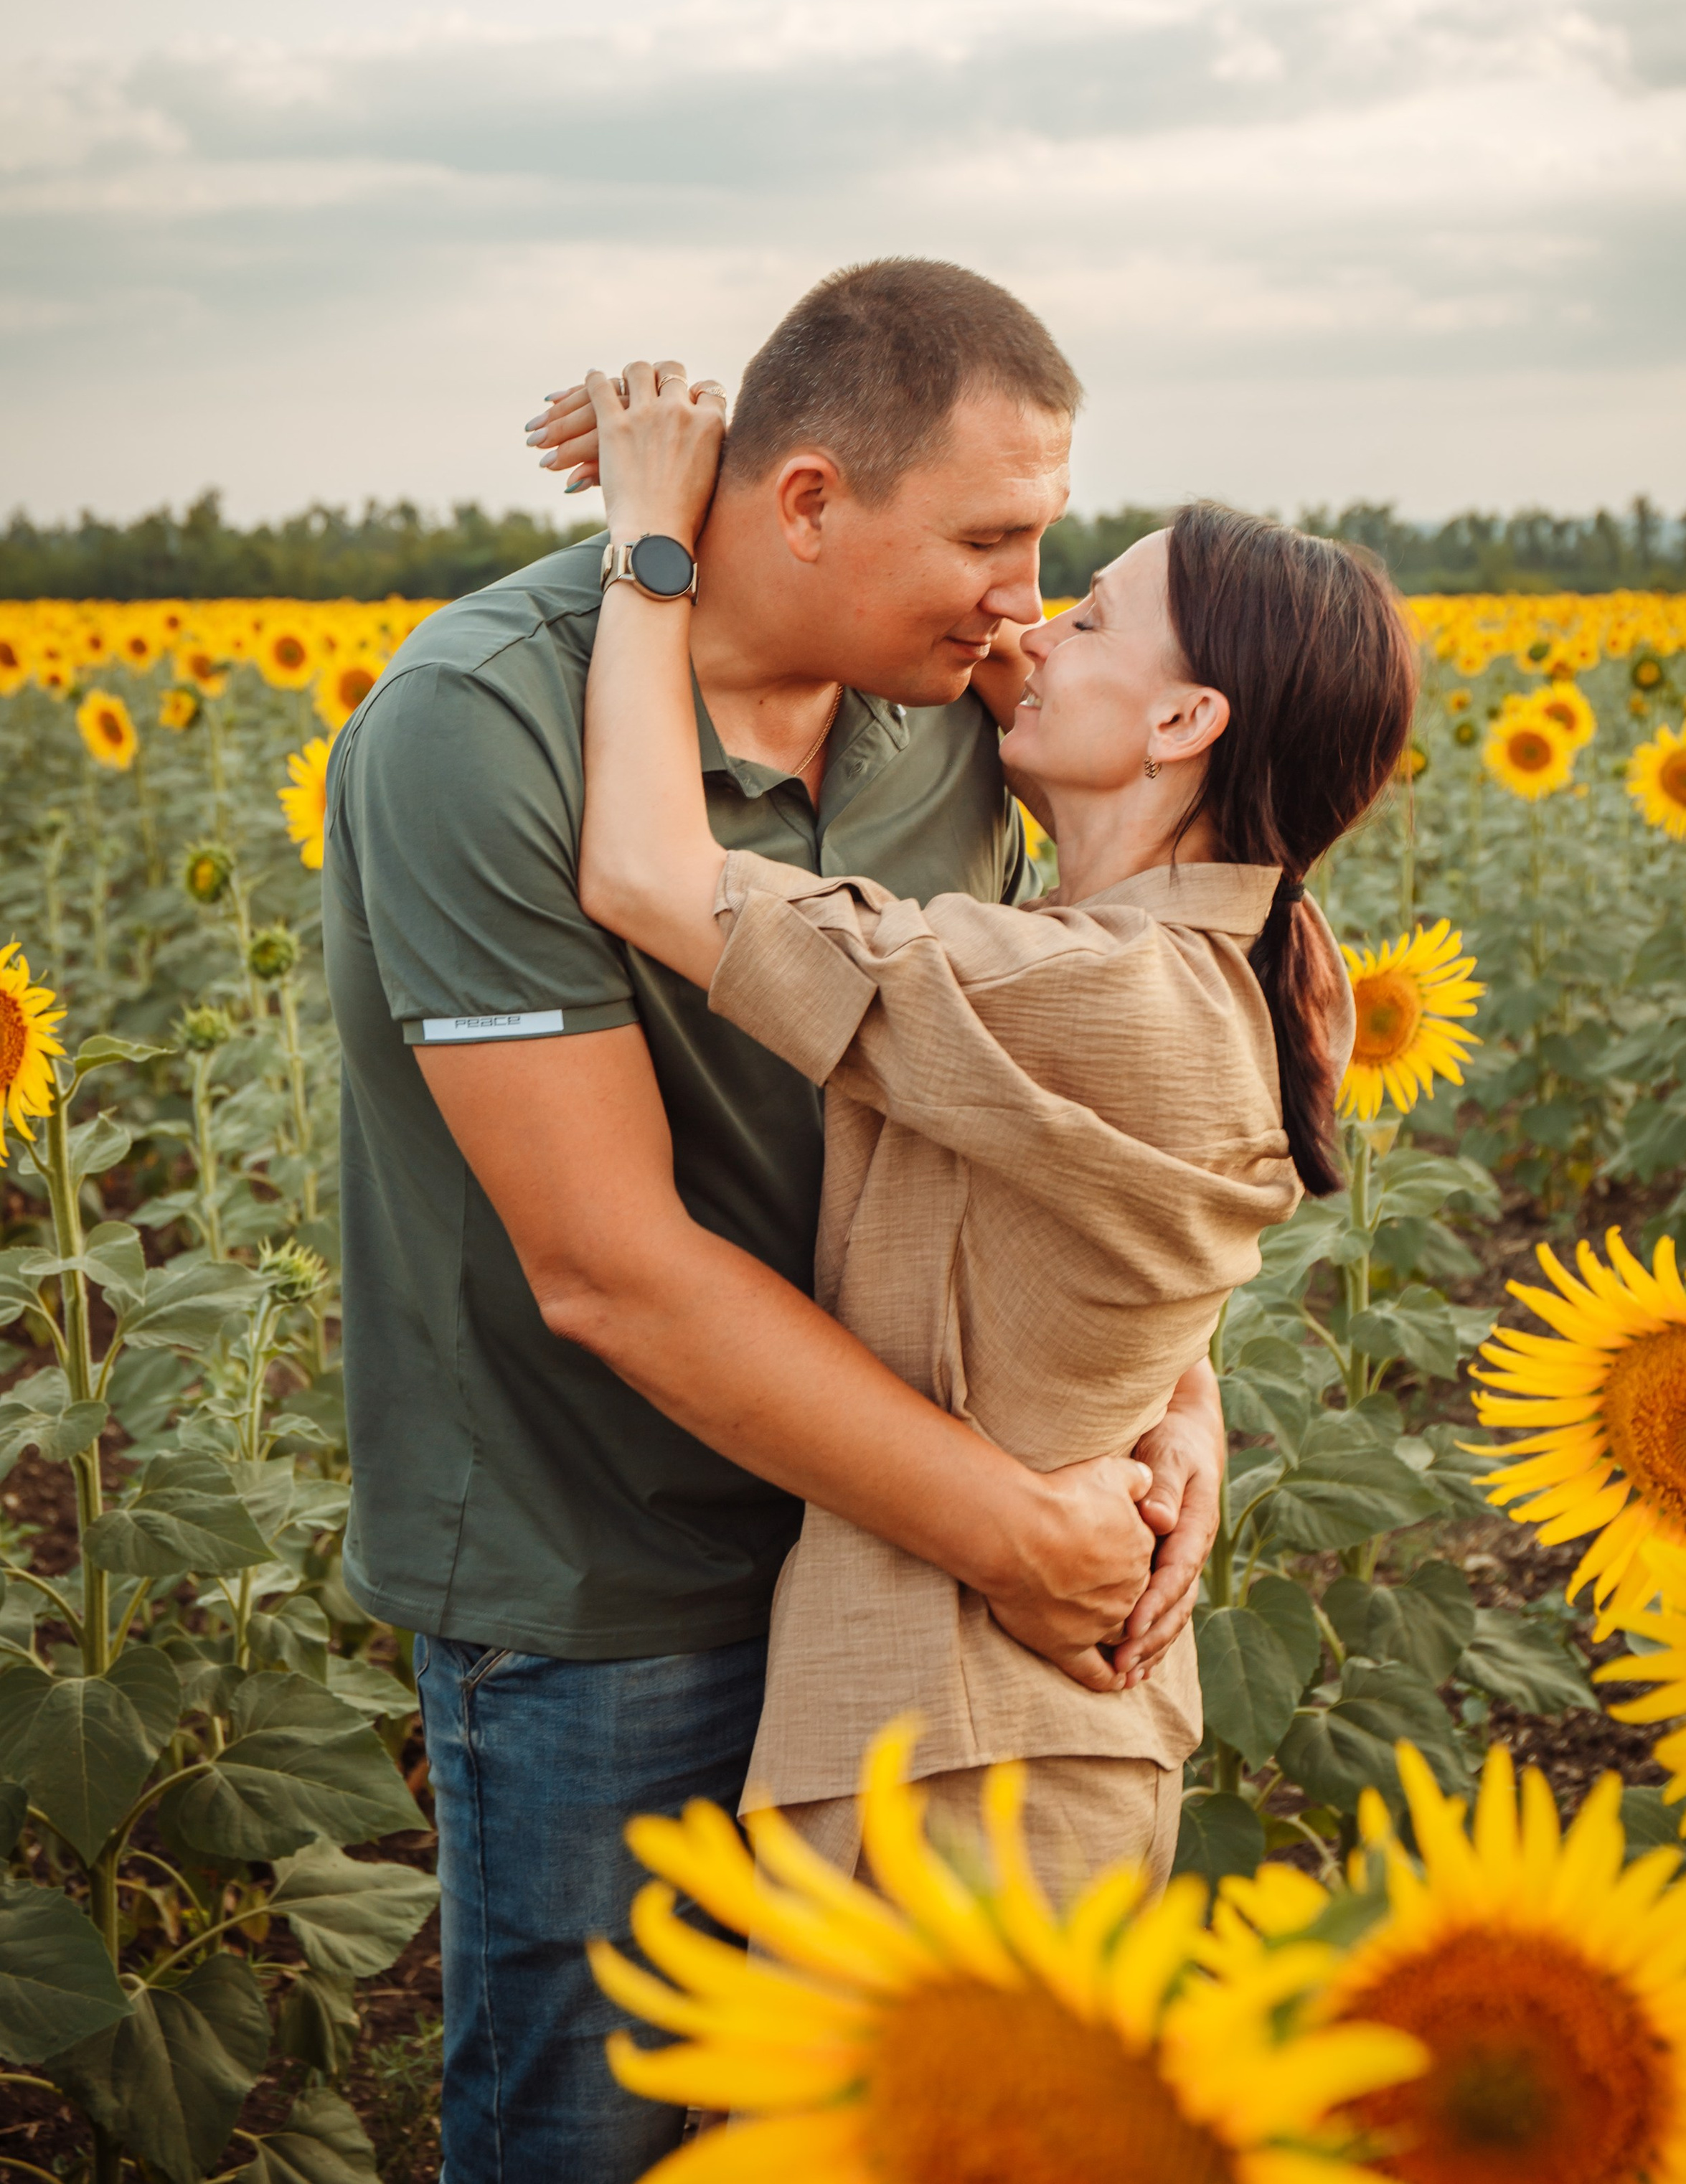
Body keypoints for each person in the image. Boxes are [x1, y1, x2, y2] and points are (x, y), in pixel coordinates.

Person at [320, 259, 1225, 2184]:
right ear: (807, 501)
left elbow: (1079, 1083)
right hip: (610, 1570)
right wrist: (1022, 1527)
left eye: (1048, 530)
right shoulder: (482, 731)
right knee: (604, 2126)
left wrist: (1180, 1405)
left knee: (874, 2121)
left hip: (894, 1554)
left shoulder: (962, 709)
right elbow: (607, 1266)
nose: (1027, 587)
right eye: (991, 529)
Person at [573, 356, 1419, 1896]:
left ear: (1182, 717)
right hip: (1015, 1742)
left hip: (955, 1762)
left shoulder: (1086, 991)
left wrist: (656, 530)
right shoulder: (1271, 952)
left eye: (1084, 615)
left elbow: (641, 866)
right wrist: (788, 473)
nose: (1025, 626)